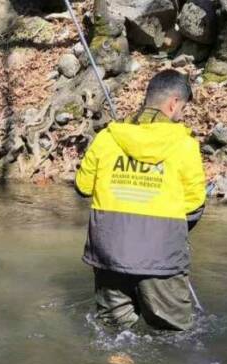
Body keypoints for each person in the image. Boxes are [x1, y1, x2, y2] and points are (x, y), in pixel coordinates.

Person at [76, 69, 207, 332]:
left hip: (108, 254)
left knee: (114, 333)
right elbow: (194, 205)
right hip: (161, 257)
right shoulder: (184, 144)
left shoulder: (108, 137)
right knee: (174, 336)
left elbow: (82, 186)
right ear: (173, 103)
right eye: (183, 109)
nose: (181, 116)